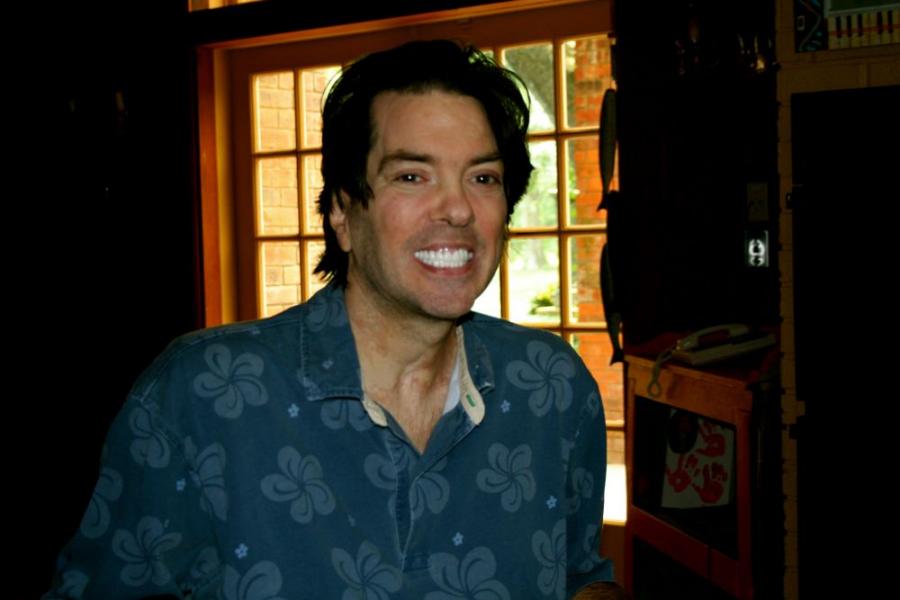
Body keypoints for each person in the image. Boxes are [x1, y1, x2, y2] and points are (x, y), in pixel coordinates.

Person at [45, 39, 623, 599]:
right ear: (342, 212)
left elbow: (579, 575)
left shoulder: (552, 385)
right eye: (411, 176)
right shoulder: (203, 394)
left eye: (483, 178)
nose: (457, 209)